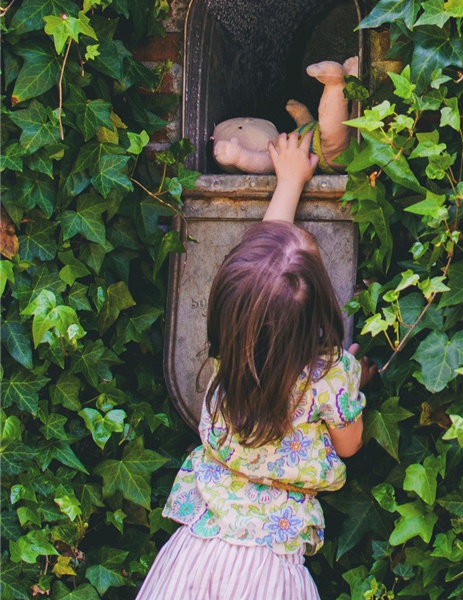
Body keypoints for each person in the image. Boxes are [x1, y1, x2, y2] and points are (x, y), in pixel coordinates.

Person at [137, 131, 377, 599]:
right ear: (320, 310)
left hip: (197, 554)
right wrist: (352, 388)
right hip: (266, 572)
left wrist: (288, 182)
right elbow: (349, 445)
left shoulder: (235, 348)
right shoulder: (331, 378)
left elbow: (266, 272)